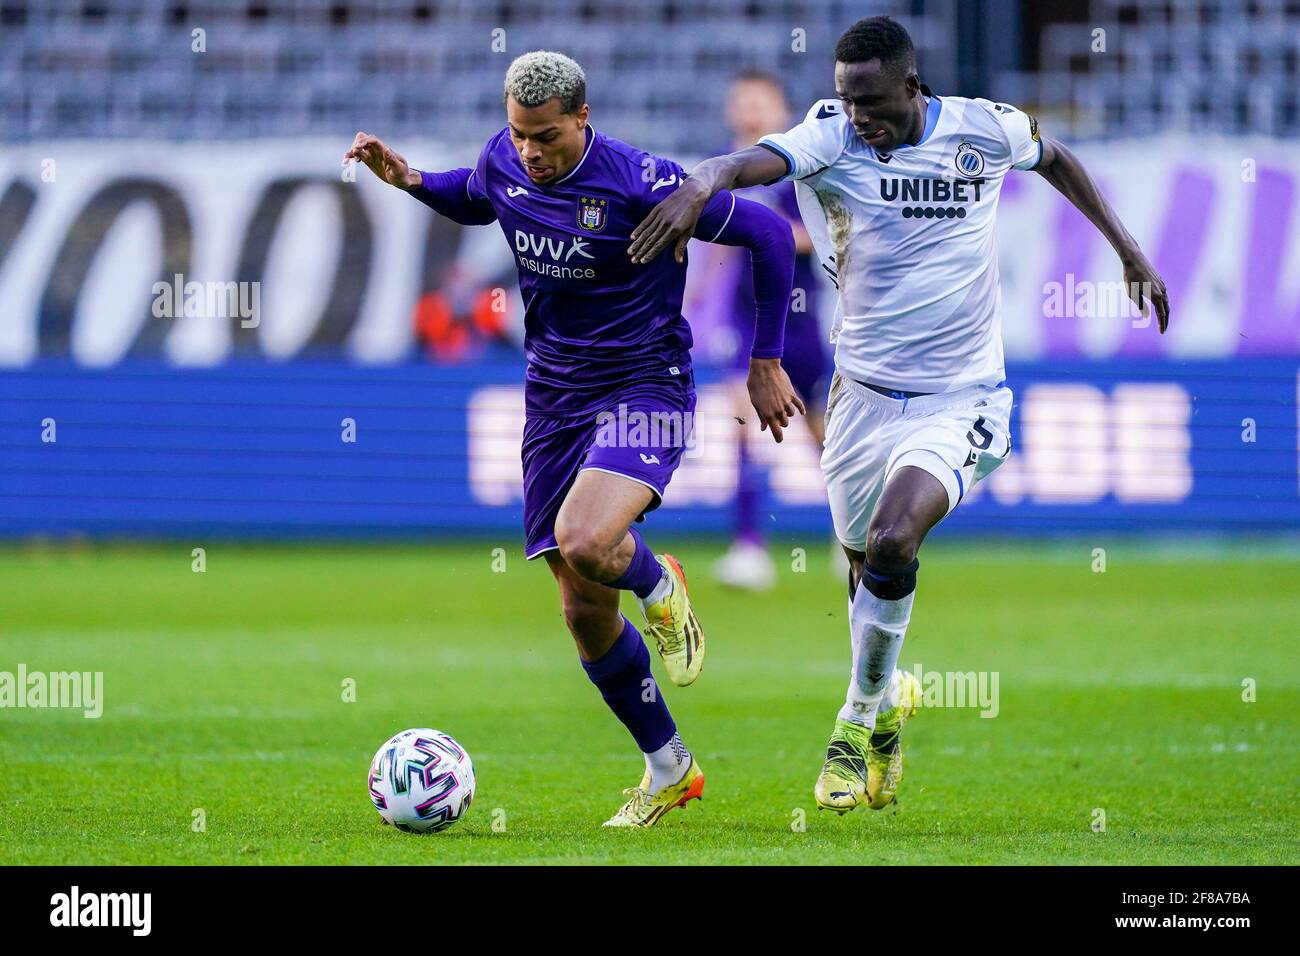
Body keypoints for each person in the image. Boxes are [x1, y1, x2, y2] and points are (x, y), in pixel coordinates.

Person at [628, 16, 1169, 814]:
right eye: (849, 102)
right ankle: (886, 713)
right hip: (862, 398)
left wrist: (1127, 250)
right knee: (863, 570)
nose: (860, 119)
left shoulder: (981, 130)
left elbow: (1056, 158)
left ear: (912, 88)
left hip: (964, 398)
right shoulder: (831, 138)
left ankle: (851, 726)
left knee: (890, 539)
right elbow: (747, 161)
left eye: (874, 103)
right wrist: (700, 184)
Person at [345, 51, 802, 827]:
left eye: (546, 137)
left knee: (589, 541)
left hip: (645, 385)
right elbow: (478, 193)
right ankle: (670, 769)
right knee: (582, 606)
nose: (529, 151)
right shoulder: (506, 157)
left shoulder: (642, 183)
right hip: (553, 399)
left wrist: (765, 360)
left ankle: (661, 588)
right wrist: (416, 182)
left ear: (582, 119)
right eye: (520, 135)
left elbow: (765, 233)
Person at [713, 71, 832, 592]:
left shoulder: (799, 171)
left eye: (761, 101)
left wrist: (770, 234)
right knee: (741, 419)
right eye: (742, 102)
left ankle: (854, 537)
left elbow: (828, 237)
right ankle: (748, 546)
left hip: (800, 319)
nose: (750, 110)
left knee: (823, 432)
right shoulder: (723, 170)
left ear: (783, 110)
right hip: (748, 318)